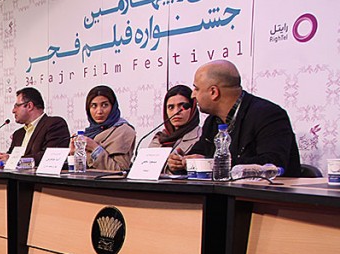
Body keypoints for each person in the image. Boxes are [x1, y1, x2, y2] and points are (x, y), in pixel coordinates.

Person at [167, 60, 301, 176]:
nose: (192, 95)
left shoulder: (268, 115)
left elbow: (273, 164)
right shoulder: (212, 122)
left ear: (213, 92)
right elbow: (199, 156)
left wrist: (211, 164)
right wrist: (180, 163)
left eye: (196, 89)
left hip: (265, 196)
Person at [0, 87, 70, 164]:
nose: (13, 111)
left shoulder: (54, 124)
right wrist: (0, 158)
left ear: (29, 106)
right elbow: (10, 156)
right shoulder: (18, 134)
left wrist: (13, 159)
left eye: (16, 106)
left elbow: (50, 157)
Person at [77, 85, 136, 171]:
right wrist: (73, 154)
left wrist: (95, 148)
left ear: (113, 107)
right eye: (94, 106)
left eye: (105, 105)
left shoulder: (123, 131)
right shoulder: (90, 132)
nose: (99, 111)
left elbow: (120, 170)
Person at [150, 85, 202, 172]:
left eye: (182, 106)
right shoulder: (159, 138)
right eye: (171, 107)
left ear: (193, 108)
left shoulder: (202, 137)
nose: (176, 112)